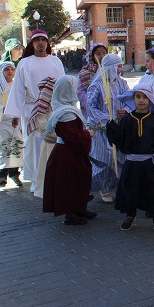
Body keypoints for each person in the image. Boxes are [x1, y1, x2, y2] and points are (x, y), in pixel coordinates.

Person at [3, 30, 66, 193]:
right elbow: (18, 89)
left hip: (52, 108)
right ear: (32, 44)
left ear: (47, 43)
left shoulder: (56, 61)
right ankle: (35, 179)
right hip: (32, 110)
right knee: (33, 144)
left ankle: (51, 177)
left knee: (52, 142)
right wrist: (15, 114)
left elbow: (63, 85)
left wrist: (65, 107)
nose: (40, 43)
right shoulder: (25, 62)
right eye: (36, 40)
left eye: (43, 40)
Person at [108, 84, 154, 232]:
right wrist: (112, 130)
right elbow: (119, 140)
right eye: (138, 97)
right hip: (132, 162)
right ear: (133, 99)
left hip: (151, 162)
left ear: (150, 99)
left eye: (145, 97)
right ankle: (130, 215)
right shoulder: (127, 120)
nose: (141, 100)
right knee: (130, 190)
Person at [42, 76, 95, 226]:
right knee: (70, 183)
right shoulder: (66, 113)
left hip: (71, 152)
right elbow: (72, 137)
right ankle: (70, 214)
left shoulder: (66, 109)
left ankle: (80, 208)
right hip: (68, 153)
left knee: (80, 179)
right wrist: (87, 134)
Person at [86, 53, 129, 203]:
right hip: (103, 129)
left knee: (120, 158)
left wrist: (125, 111)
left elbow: (128, 100)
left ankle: (118, 186)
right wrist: (107, 119)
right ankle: (103, 188)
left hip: (119, 127)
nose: (120, 69)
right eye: (118, 66)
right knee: (105, 159)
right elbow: (91, 108)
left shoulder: (122, 83)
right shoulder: (97, 85)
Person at [77, 43, 108, 113]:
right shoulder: (85, 72)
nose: (102, 56)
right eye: (98, 54)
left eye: (104, 53)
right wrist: (91, 105)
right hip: (90, 110)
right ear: (92, 56)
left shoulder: (109, 70)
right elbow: (81, 92)